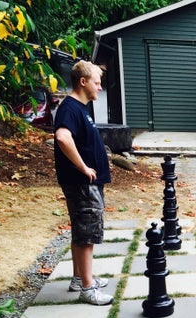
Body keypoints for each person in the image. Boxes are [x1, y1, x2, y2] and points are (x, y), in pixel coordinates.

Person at [54, 60, 113, 305]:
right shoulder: (70, 108)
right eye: (97, 82)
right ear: (83, 81)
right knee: (87, 234)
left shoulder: (80, 108)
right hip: (81, 182)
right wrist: (83, 167)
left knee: (81, 231)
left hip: (86, 183)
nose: (99, 87)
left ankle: (80, 278)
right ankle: (87, 289)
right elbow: (62, 137)